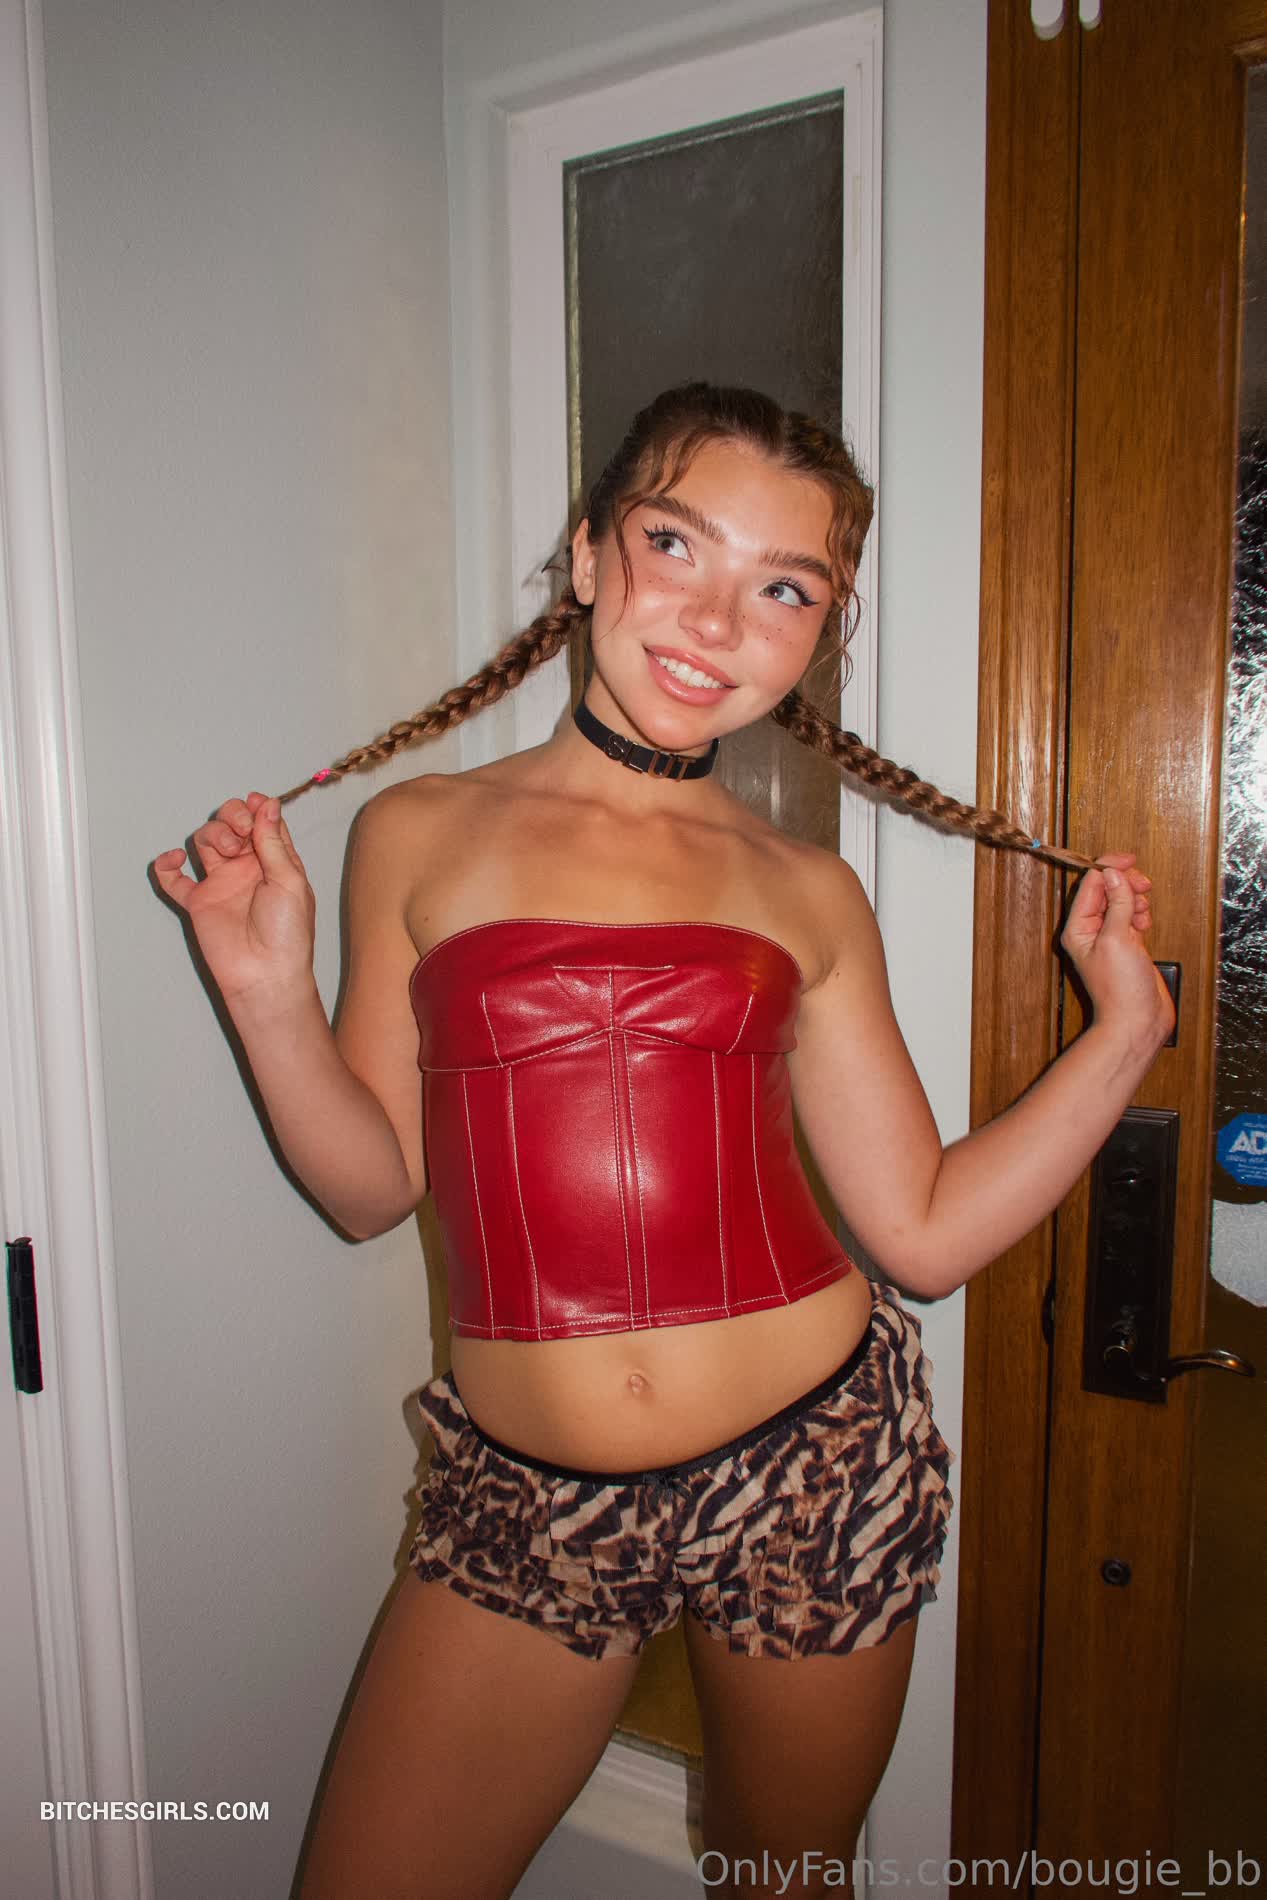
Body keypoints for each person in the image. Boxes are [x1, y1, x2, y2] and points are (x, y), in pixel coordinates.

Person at [152, 383, 1174, 1900]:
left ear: (821, 633)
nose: (715, 620)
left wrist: (1126, 1030)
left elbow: (925, 1232)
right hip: (524, 1499)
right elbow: (371, 1194)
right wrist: (264, 994)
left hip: (816, 1466)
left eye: (784, 588)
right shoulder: (414, 831)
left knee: (782, 1882)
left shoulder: (810, 888)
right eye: (676, 545)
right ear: (587, 554)